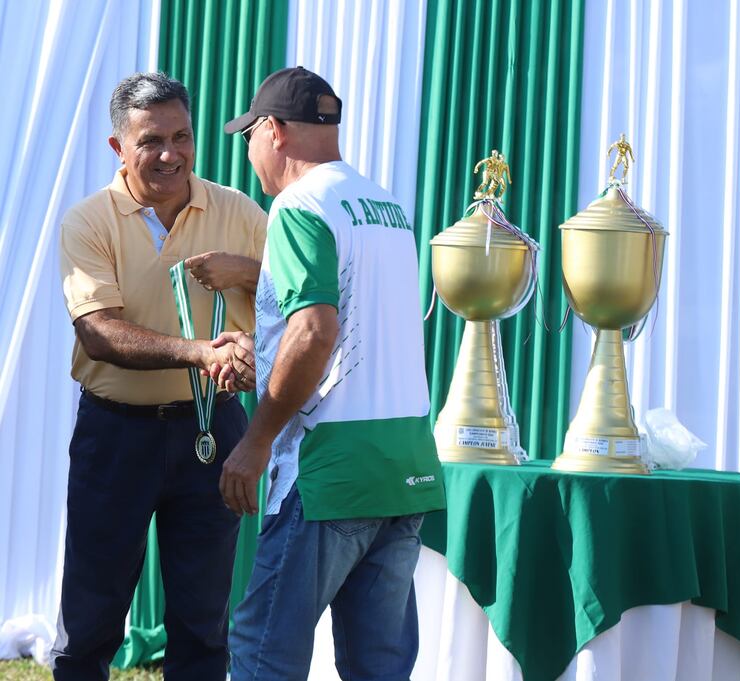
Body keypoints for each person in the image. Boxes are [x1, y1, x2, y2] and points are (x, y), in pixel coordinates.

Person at [217, 66, 446, 681]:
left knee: (265, 653)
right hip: (404, 464)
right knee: (379, 666)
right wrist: (265, 351)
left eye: (249, 136)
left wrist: (256, 440)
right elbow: (360, 325)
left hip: (328, 470)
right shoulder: (385, 204)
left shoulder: (297, 206)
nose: (248, 152)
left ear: (274, 131)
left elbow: (316, 331)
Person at [51, 72, 267, 681]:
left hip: (213, 431)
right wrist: (203, 354)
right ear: (118, 147)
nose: (171, 153)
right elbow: (99, 332)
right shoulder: (89, 221)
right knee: (90, 622)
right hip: (115, 435)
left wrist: (249, 288)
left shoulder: (241, 212)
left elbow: (292, 305)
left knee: (202, 626)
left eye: (182, 136)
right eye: (151, 141)